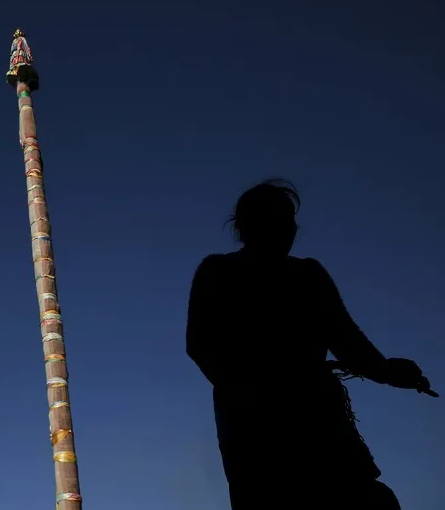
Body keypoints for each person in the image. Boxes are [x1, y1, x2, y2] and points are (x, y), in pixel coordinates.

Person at [186, 180, 435, 510]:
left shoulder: (308, 274)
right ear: (248, 225)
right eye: (278, 218)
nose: (289, 228)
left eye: (290, 219)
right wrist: (260, 387)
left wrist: (388, 371)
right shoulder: (218, 271)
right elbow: (200, 344)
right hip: (254, 432)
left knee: (371, 500)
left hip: (316, 421)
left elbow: (346, 340)